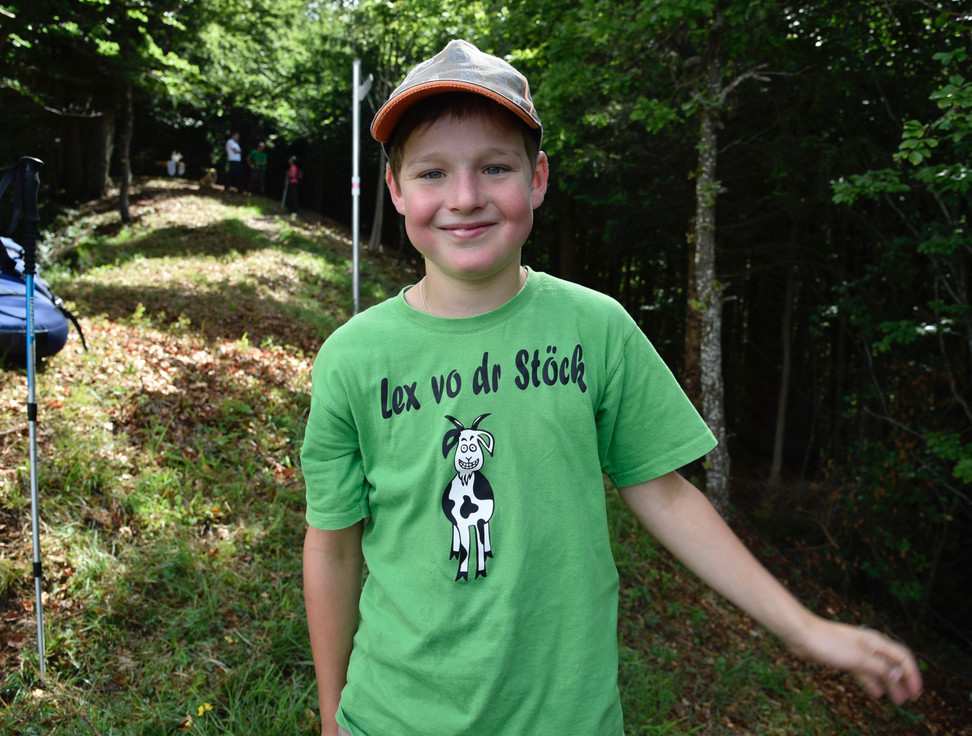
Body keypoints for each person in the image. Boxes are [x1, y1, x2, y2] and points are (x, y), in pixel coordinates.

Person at [300, 39, 923, 736]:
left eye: (495, 167)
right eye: (432, 172)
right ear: (395, 189)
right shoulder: (352, 360)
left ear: (537, 179)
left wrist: (804, 628)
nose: (465, 197)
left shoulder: (597, 329)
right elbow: (333, 544)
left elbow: (666, 494)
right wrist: (331, 716)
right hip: (391, 719)